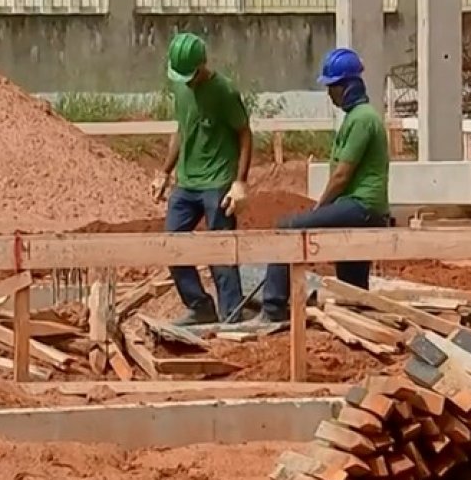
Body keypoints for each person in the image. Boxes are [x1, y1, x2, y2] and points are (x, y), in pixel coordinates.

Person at [261, 48, 390, 322]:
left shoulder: (362, 120)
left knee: (289, 227)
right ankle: (355, 307)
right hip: (356, 205)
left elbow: (342, 175)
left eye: (332, 87)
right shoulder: (358, 117)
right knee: (350, 268)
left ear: (348, 86)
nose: (330, 94)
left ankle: (273, 309)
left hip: (361, 206)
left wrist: (319, 207)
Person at [152, 31, 252, 326]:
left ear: (201, 66)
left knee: (220, 249)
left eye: (190, 75)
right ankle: (199, 306)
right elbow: (182, 130)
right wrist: (165, 172)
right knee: (173, 244)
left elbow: (244, 134)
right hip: (187, 182)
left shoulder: (224, 92)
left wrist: (240, 181)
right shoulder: (181, 89)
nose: (186, 81)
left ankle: (232, 313)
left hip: (218, 180)